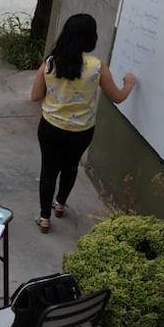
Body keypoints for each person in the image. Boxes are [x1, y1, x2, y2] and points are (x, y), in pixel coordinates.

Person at [29, 13, 136, 233]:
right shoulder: (98, 67)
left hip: (50, 128)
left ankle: (44, 217)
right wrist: (129, 84)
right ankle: (60, 205)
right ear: (91, 38)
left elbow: (35, 95)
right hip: (81, 131)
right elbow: (117, 97)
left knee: (49, 171)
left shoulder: (50, 63)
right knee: (70, 167)